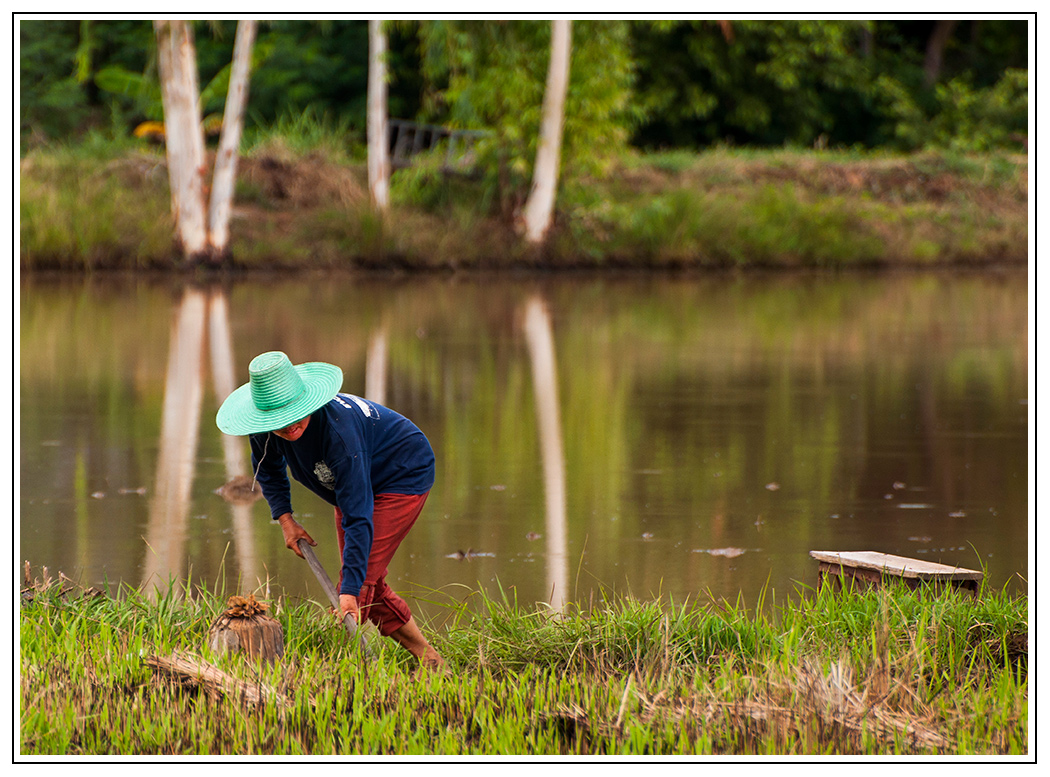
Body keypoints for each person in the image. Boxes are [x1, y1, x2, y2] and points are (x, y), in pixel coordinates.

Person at [216, 350, 444, 670]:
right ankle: (430, 660)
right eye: (278, 420)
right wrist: (286, 520)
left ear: (306, 401)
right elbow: (267, 469)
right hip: (349, 485)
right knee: (360, 584)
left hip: (401, 473)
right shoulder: (265, 423)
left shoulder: (340, 436)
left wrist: (350, 591)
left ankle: (391, 666)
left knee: (357, 587)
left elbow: (359, 516)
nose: (290, 425)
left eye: (295, 414)